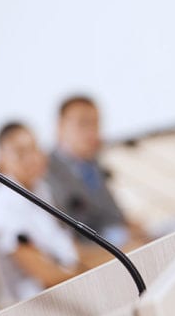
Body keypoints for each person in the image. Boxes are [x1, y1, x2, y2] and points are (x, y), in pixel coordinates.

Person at [0, 122, 83, 302]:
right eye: (20, 152)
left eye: (34, 149)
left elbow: (70, 252)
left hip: (65, 291)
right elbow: (47, 277)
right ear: (1, 159)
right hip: (33, 309)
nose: (31, 158)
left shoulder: (41, 188)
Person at [46, 95, 146, 246]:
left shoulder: (93, 164)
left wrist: (129, 227)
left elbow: (113, 215)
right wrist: (122, 236)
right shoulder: (46, 172)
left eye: (96, 124)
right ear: (60, 127)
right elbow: (70, 236)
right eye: (83, 124)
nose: (91, 132)